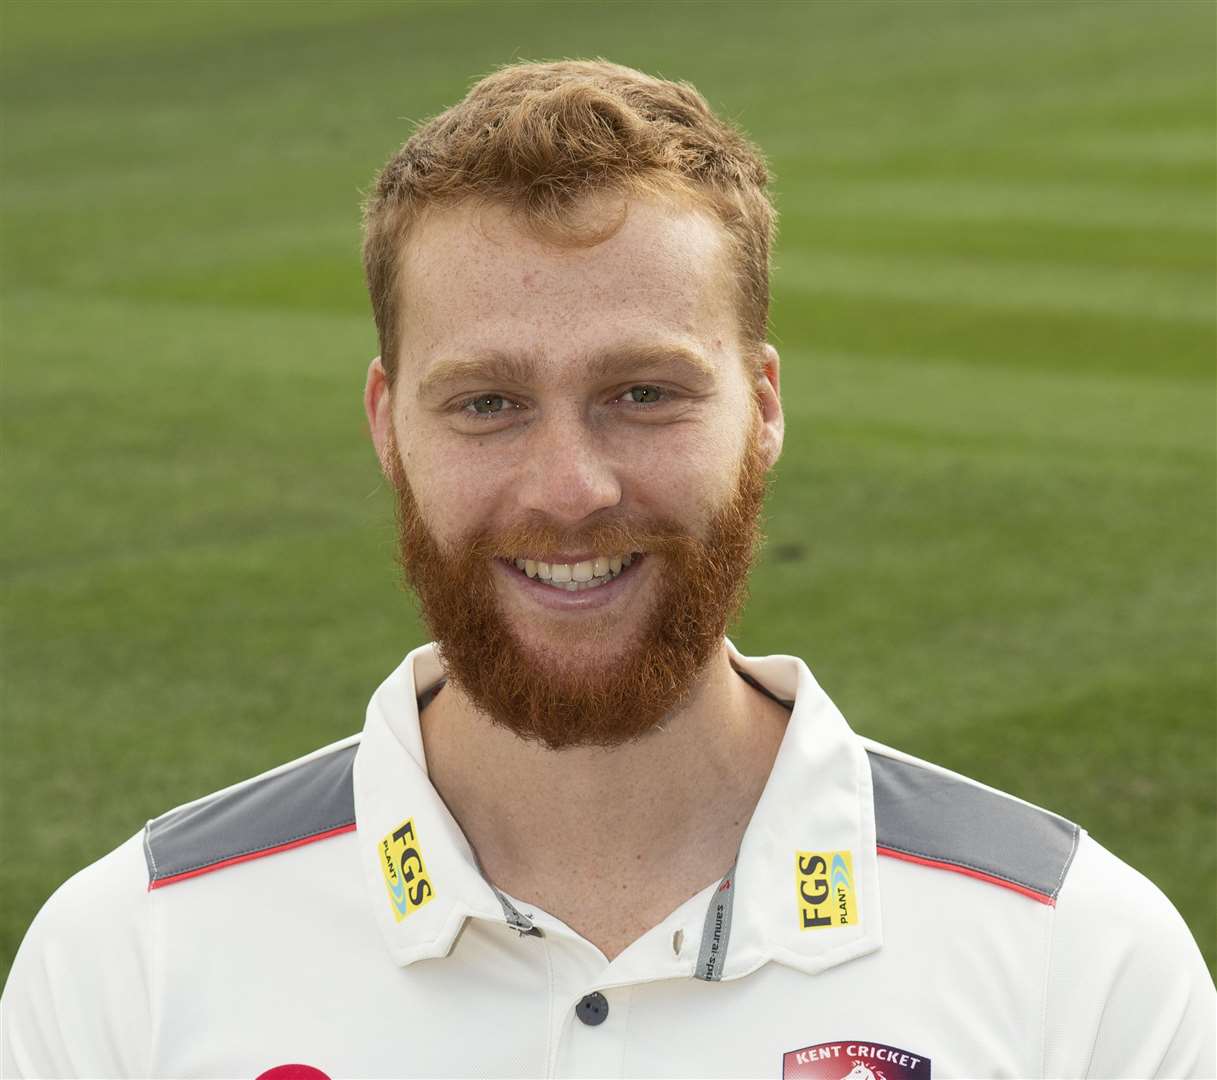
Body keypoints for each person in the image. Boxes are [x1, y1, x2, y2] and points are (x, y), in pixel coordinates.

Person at [2, 59, 1213, 1080]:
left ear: (765, 407)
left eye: (643, 393)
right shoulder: (132, 961)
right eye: (485, 403)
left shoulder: (1075, 959)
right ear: (387, 427)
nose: (570, 488)